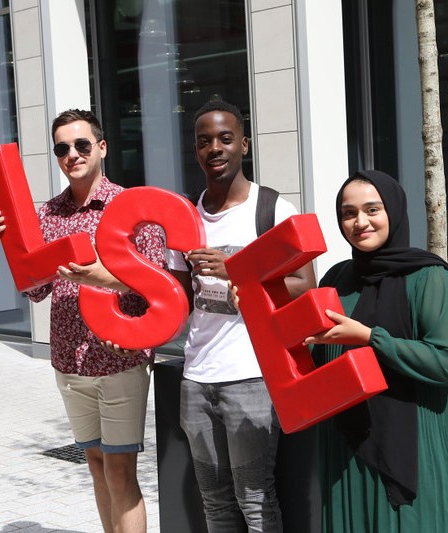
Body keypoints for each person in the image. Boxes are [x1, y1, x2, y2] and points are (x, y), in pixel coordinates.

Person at [0, 109, 165, 533]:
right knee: (96, 464)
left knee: (121, 470)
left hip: (118, 358)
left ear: (101, 147)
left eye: (82, 144)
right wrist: (7, 243)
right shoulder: (48, 215)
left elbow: (158, 283)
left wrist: (103, 277)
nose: (73, 154)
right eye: (63, 148)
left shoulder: (131, 207)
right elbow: (36, 290)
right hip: (69, 363)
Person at [303, 170, 448, 532]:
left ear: (395, 211)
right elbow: (316, 354)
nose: (360, 222)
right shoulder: (337, 279)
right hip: (348, 447)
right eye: (348, 213)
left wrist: (372, 338)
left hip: (414, 444)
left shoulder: (430, 278)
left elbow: (447, 362)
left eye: (373, 209)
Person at [168, 99, 316, 533]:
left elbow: (305, 286)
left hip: (252, 375)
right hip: (196, 377)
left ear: (244, 145)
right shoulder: (184, 218)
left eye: (226, 138)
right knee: (214, 502)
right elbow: (176, 295)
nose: (215, 148)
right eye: (204, 141)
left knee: (254, 498)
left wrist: (238, 277)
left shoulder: (272, 210)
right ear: (196, 151)